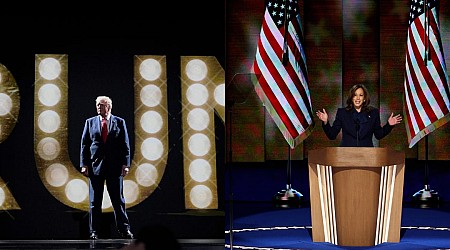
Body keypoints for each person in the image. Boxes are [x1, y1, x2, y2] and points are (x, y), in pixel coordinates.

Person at [80, 95, 133, 240]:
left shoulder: (120, 122)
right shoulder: (90, 122)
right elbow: (84, 145)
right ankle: (94, 232)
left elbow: (125, 145)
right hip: (95, 167)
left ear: (109, 106)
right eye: (97, 105)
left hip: (114, 167)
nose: (98, 107)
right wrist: (84, 164)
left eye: (101, 105)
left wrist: (126, 164)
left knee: (118, 200)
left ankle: (124, 229)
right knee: (94, 202)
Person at [315, 84, 402, 147]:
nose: (357, 98)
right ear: (351, 97)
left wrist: (389, 125)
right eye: (355, 95)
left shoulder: (373, 113)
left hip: (367, 155)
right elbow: (332, 135)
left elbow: (378, 134)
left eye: (360, 95)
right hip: (346, 155)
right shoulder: (342, 113)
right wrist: (325, 122)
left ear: (364, 99)